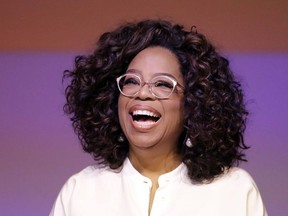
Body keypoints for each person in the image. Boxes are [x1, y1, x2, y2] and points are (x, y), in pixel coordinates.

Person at [49, 19, 268, 216]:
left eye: (162, 84)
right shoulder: (81, 191)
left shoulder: (234, 191)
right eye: (132, 81)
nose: (142, 93)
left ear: (193, 102)